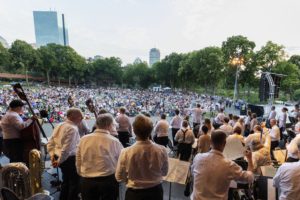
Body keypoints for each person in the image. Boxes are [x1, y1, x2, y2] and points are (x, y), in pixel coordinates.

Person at [115, 115, 169, 200]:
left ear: (134, 130)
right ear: (151, 130)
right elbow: (164, 172)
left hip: (134, 194)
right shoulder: (162, 150)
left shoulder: (125, 152)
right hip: (156, 192)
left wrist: (128, 180)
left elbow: (119, 177)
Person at [191, 130, 254, 200]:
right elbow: (249, 178)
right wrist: (250, 159)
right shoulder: (229, 165)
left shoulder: (198, 157)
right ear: (224, 143)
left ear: (211, 142)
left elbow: (193, 173)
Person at [76, 113, 123, 200]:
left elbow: (78, 159)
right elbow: (121, 161)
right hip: (108, 180)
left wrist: (81, 174)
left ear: (97, 124)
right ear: (109, 125)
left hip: (87, 179)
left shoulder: (83, 139)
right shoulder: (114, 141)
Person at [47, 108, 83, 200]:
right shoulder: (72, 128)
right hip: (69, 159)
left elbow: (51, 143)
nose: (81, 119)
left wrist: (54, 159)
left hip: (59, 157)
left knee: (66, 181)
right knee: (74, 184)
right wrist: (58, 162)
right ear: (75, 117)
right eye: (80, 117)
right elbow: (67, 150)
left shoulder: (60, 125)